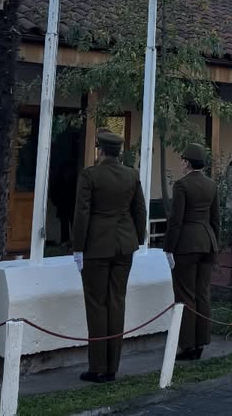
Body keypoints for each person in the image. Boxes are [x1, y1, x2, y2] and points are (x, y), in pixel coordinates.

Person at [72, 129, 147, 384]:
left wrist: (78, 247)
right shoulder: (131, 175)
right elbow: (140, 210)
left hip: (97, 246)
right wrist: (137, 239)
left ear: (101, 150)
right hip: (125, 245)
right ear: (119, 151)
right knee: (117, 302)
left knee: (96, 304)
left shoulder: (90, 175)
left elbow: (82, 213)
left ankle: (97, 367)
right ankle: (112, 367)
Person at [165, 143, 219, 361]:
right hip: (208, 241)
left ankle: (187, 344)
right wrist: (215, 244)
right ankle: (201, 341)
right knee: (202, 293)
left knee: (185, 295)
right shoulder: (211, 184)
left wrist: (168, 248)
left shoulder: (182, 185)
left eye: (182, 160)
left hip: (187, 244)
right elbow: (216, 219)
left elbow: (176, 220)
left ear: (187, 162)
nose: (181, 163)